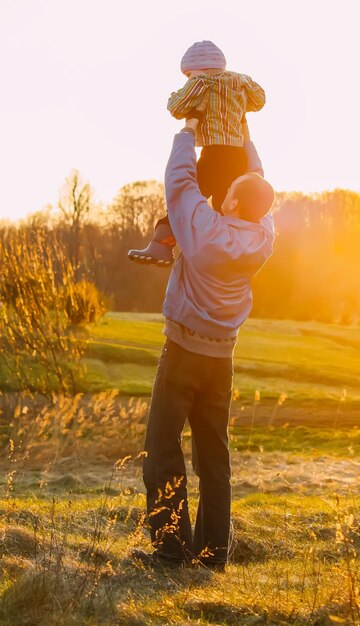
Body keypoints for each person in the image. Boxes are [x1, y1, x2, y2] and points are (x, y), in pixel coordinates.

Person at [131, 115, 275, 572]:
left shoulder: (206, 233)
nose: (226, 192)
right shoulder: (263, 237)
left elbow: (180, 182)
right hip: (222, 362)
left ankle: (172, 551)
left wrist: (188, 131)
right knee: (214, 459)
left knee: (162, 450)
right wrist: (245, 139)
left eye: (230, 191)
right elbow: (259, 185)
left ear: (232, 203)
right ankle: (213, 556)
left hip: (184, 356)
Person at [128, 40, 265, 266]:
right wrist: (235, 103)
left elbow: (177, 108)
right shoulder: (241, 81)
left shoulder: (200, 82)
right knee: (226, 209)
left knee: (185, 197)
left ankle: (161, 244)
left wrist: (184, 93)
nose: (187, 80)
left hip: (215, 155)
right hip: (239, 156)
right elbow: (259, 100)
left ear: (195, 69)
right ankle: (229, 254)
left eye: (187, 75)